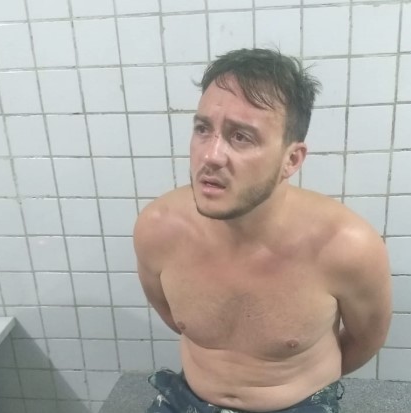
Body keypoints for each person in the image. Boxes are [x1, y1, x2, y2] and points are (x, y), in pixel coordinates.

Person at [133, 48, 392, 413]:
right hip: (187, 399)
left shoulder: (346, 246)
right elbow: (171, 316)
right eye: (203, 129)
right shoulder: (158, 229)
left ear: (291, 159)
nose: (211, 156)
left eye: (241, 136)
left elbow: (366, 340)